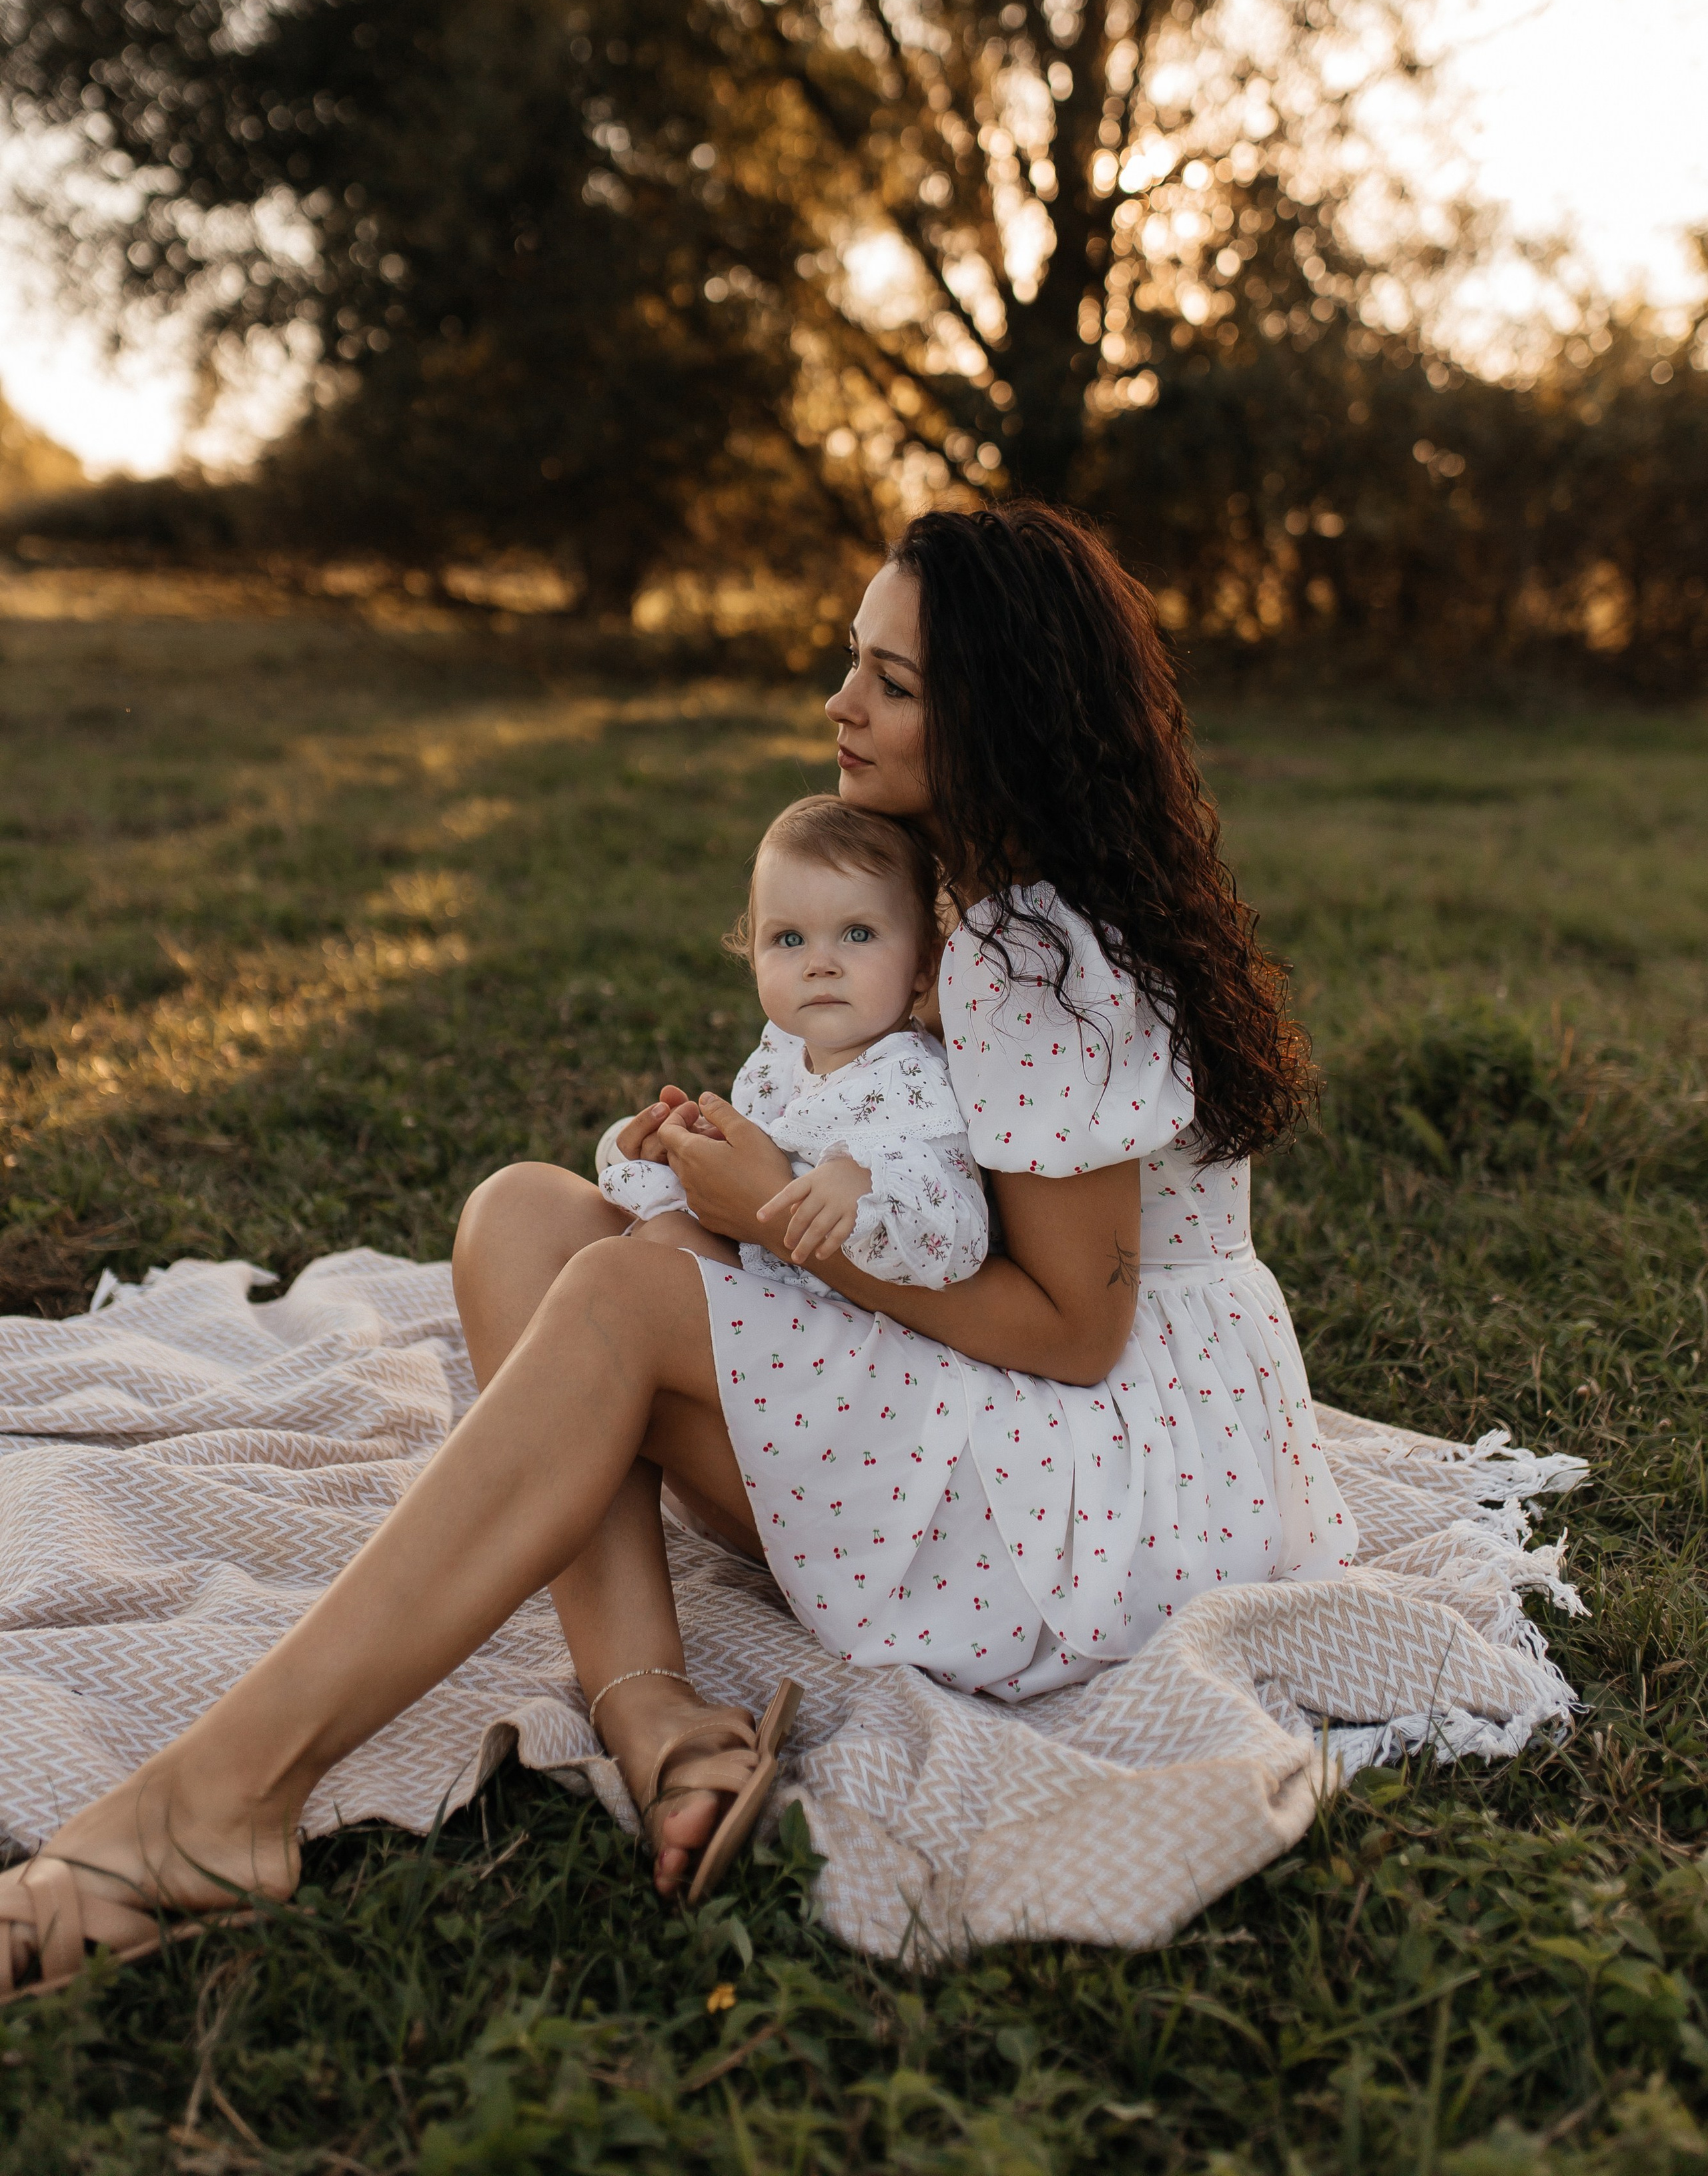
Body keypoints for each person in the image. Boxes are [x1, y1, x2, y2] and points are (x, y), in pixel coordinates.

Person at [0, 501, 1352, 1988]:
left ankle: (222, 1797)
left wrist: (768, 1216)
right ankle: (647, 1702)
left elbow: (1073, 1333)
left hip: (1113, 1479)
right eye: (853, 663)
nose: (839, 703)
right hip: (1014, 1383)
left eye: (892, 685)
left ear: (1002, 719)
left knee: (631, 1294)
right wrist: (735, 1170)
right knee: (526, 1214)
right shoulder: (949, 885)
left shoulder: (1032, 953)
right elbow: (901, 1168)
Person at [597, 793, 987, 1293]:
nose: (820, 963)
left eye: (859, 933)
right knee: (537, 1205)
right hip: (772, 1263)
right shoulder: (783, 1050)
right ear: (754, 954)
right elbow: (772, 1154)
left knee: (653, 1249)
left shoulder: (910, 1081)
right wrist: (702, 1148)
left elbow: (964, 1240)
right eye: (789, 939)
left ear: (923, 966)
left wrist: (870, 1188)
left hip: (852, 1313)